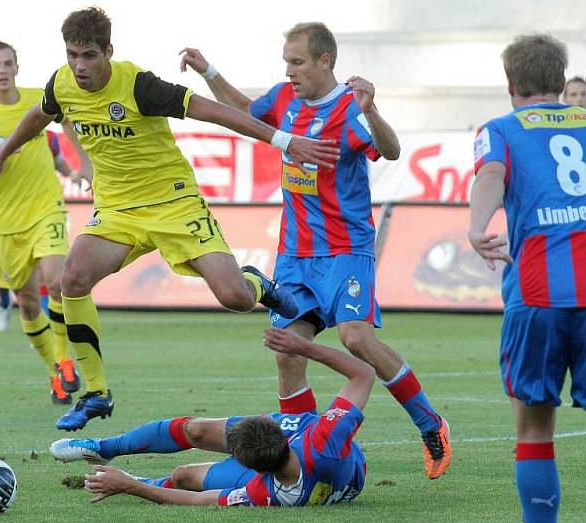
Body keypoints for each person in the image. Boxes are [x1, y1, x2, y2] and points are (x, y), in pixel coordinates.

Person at [0, 8, 340, 432]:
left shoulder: (140, 85)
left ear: (108, 52)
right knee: (70, 279)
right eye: (73, 54)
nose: (79, 65)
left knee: (235, 298)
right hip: (116, 210)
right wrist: (3, 152)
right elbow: (41, 113)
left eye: (89, 55)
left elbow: (210, 111)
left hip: (173, 204)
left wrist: (283, 140)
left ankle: (259, 284)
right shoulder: (61, 83)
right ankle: (95, 393)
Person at [179, 22, 451, 480]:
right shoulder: (284, 100)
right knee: (289, 352)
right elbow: (247, 110)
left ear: (325, 61)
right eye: (287, 62)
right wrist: (209, 71)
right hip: (295, 254)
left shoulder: (349, 107)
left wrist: (375, 110)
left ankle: (430, 424)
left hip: (346, 249)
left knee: (355, 338)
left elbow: (391, 149)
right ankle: (302, 450)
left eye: (297, 62)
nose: (289, 71)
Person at [469, 34, 586, 523]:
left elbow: (491, 173)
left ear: (511, 83)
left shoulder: (500, 129)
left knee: (534, 433)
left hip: (538, 293)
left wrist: (477, 225)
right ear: (559, 77)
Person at [50, 326, 374, 507]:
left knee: (183, 477)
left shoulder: (266, 493)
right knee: (199, 429)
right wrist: (301, 347)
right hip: (327, 462)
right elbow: (363, 375)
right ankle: (104, 447)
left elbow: (199, 501)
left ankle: (122, 476)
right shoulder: (324, 439)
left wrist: (130, 485)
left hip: (313, 465)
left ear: (248, 468)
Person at [0, 40, 82, 405]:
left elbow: (68, 123)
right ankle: (54, 374)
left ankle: (64, 360)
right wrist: (0, 152)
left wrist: (81, 166)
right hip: (7, 223)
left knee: (57, 282)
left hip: (47, 208)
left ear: (17, 67)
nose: (3, 70)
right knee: (26, 304)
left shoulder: (38, 100)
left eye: (8, 63)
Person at [0, 130, 82, 331]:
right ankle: (3, 302)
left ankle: (49, 325)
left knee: (49, 276)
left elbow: (58, 161)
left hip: (45, 210)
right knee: (7, 274)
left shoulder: (49, 136)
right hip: (9, 215)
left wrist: (73, 174)